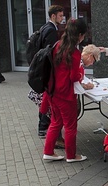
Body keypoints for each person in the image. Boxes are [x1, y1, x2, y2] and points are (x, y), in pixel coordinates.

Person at [43, 18, 88, 162]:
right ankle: (71, 155)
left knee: (56, 122)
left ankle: (48, 152)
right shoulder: (74, 52)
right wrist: (81, 74)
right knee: (70, 126)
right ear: (80, 35)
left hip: (53, 91)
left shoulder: (58, 45)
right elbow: (74, 76)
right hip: (66, 94)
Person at [32, 5, 64, 138]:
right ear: (53, 16)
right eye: (60, 16)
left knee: (45, 99)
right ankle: (44, 127)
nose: (62, 18)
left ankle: (43, 126)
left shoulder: (45, 27)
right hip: (47, 70)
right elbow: (51, 52)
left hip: (42, 69)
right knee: (47, 99)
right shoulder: (51, 30)